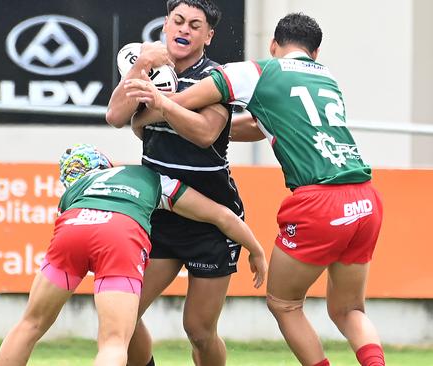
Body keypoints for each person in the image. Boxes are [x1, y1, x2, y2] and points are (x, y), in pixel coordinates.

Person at [125, 12, 386, 366]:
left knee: (285, 304)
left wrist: (147, 112)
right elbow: (253, 125)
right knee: (349, 309)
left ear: (273, 45)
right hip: (365, 199)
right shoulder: (327, 79)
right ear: (316, 52)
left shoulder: (258, 71)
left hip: (319, 198)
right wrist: (218, 127)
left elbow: (183, 103)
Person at [0, 144, 266, 366]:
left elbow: (82, 229)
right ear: (107, 164)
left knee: (30, 324)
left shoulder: (73, 191)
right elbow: (220, 214)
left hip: (72, 227)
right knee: (114, 342)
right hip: (119, 234)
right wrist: (255, 249)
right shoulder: (147, 176)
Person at [106, 1, 246, 365]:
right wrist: (140, 67)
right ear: (166, 24)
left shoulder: (216, 77)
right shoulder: (148, 68)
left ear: (208, 36)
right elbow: (115, 116)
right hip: (160, 212)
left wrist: (159, 106)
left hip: (211, 219)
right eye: (178, 21)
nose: (184, 30)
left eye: (195, 25)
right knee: (124, 315)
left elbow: (205, 133)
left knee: (198, 330)